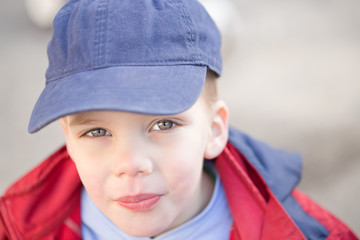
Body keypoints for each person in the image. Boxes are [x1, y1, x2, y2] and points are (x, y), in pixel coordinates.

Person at [0, 0, 358, 239]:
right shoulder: (20, 227)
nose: (130, 165)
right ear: (69, 140)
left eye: (163, 125)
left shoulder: (307, 231)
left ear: (214, 130)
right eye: (96, 131)